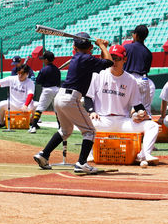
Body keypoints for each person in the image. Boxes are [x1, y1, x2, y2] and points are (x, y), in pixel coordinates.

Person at [32, 32, 113, 174]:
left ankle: (44, 154)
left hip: (60, 97)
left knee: (65, 131)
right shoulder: (86, 58)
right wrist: (102, 46)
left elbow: (101, 64)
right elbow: (109, 62)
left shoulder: (79, 57)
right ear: (89, 47)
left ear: (74, 47)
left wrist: (101, 48)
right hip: (71, 98)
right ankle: (82, 163)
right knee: (89, 131)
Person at [86, 45, 160, 165]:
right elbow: (88, 97)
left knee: (152, 126)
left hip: (123, 121)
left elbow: (138, 105)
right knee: (86, 123)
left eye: (118, 58)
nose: (114, 61)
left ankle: (144, 154)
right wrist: (91, 111)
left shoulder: (131, 80)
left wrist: (141, 113)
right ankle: (90, 154)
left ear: (124, 60)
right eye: (112, 58)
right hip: (102, 119)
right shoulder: (98, 75)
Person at [0, 64, 36, 128]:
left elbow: (30, 94)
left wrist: (26, 105)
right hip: (13, 104)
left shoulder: (30, 82)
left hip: (24, 106)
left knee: (37, 105)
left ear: (27, 74)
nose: (20, 75)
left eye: (22, 73)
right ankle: (1, 122)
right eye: (19, 72)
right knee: (1, 104)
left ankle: (32, 121)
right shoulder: (12, 79)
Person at [123, 24, 155, 114]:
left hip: (128, 78)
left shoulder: (126, 47)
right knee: (145, 109)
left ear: (135, 35)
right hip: (142, 79)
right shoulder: (148, 52)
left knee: (125, 109)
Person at [28, 50, 61, 133]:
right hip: (57, 89)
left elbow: (38, 81)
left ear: (46, 60)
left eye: (43, 59)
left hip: (47, 90)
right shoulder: (57, 69)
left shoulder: (44, 69)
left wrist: (36, 79)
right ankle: (61, 128)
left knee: (40, 108)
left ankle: (33, 127)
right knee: (57, 110)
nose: (42, 60)